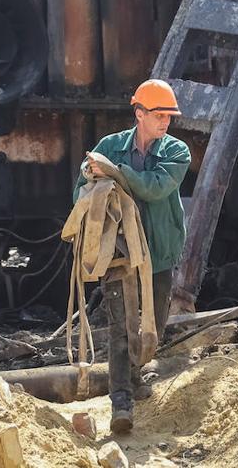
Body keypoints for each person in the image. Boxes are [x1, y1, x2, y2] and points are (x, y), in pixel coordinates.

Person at [72, 78, 191, 435]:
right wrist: (91, 173)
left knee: (152, 326)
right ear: (139, 113)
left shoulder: (176, 152)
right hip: (119, 254)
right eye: (158, 115)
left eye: (169, 115)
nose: (166, 122)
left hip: (158, 252)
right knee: (120, 327)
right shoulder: (109, 146)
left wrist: (114, 171)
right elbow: (82, 186)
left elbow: (155, 188)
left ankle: (136, 376)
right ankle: (121, 402)